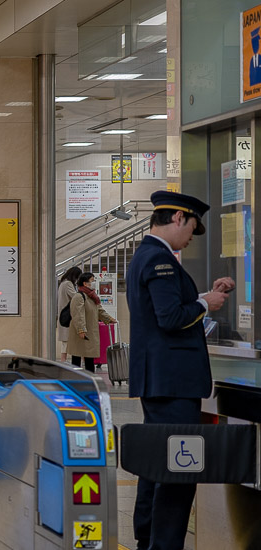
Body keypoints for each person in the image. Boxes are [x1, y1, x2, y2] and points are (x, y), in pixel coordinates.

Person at [126, 190, 233, 550]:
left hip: (159, 380)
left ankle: (148, 539)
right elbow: (170, 318)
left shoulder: (147, 256)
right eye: (191, 228)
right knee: (178, 470)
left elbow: (167, 310)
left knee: (156, 464)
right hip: (173, 383)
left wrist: (204, 297)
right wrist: (205, 302)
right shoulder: (160, 260)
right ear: (177, 218)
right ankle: (165, 544)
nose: (190, 237)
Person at [67, 272, 116, 372]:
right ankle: (76, 378)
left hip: (90, 330)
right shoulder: (79, 297)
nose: (94, 283)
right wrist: (81, 329)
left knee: (89, 356)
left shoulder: (92, 297)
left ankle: (90, 377)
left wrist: (109, 319)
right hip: (80, 332)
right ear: (85, 283)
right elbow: (78, 315)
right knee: (77, 356)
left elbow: (99, 310)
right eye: (92, 281)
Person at [57, 266, 82, 360]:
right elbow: (75, 297)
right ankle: (66, 361)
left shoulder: (63, 283)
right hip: (68, 316)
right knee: (70, 341)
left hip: (64, 315)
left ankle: (63, 361)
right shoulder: (68, 284)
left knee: (65, 342)